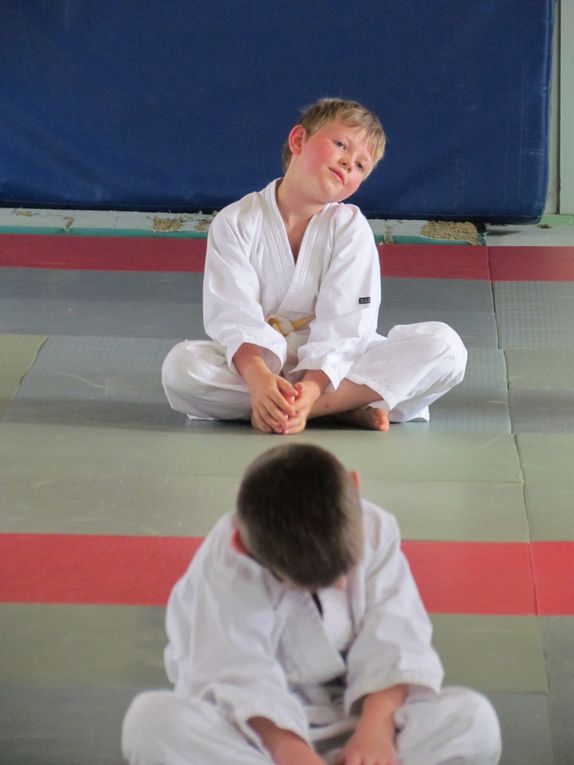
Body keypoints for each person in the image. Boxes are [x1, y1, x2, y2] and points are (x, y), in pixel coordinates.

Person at [122, 443, 501, 765]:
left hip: (357, 717)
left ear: (355, 486)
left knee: (474, 720)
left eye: (347, 568)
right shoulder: (225, 565)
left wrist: (376, 733)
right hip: (256, 733)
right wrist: (292, 752)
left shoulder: (376, 528)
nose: (343, 584)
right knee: (151, 723)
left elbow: (396, 641)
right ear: (244, 547)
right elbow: (235, 675)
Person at [162, 98, 467, 434]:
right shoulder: (236, 221)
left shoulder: (350, 227)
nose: (349, 163)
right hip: (260, 369)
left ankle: (301, 408)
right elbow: (233, 316)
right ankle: (340, 408)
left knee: (446, 348)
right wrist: (261, 381)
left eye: (362, 166)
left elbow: (347, 326)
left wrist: (311, 388)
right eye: (340, 145)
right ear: (298, 141)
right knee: (181, 368)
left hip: (337, 369)